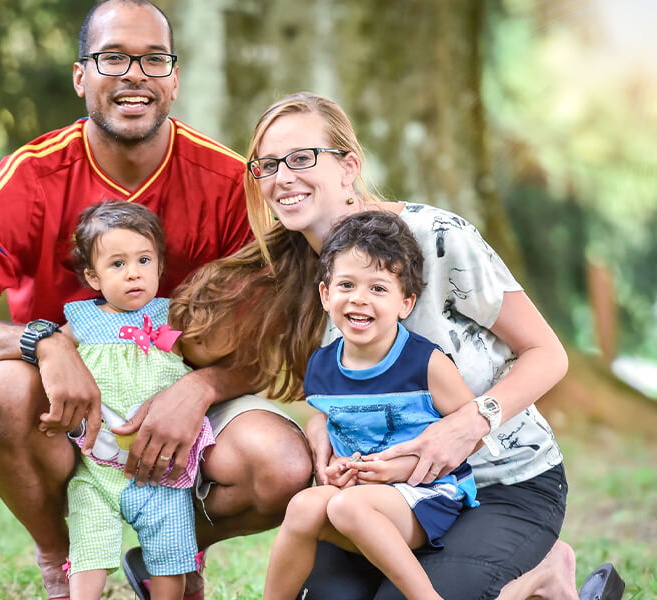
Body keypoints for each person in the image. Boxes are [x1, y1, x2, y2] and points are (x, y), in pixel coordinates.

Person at [0, 2, 312, 598]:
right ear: (81, 77)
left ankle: (167, 552)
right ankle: (62, 557)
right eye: (113, 57)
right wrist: (43, 342)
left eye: (153, 60)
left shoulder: (230, 182)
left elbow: (271, 336)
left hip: (182, 408)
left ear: (174, 78)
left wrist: (200, 389)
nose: (134, 75)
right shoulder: (32, 176)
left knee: (281, 467)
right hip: (65, 406)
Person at [171, 91, 618, 599]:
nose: (282, 177)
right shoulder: (301, 279)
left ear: (348, 167)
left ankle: (540, 571)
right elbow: (343, 382)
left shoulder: (435, 238)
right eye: (267, 165)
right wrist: (321, 423)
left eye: (300, 158)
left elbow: (548, 353)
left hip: (497, 485)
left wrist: (468, 424)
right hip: (379, 500)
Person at [263, 210, 480, 600]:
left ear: (406, 303)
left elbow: (471, 433)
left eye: (378, 288)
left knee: (348, 507)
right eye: (346, 284)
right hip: (360, 496)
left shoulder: (426, 364)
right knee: (303, 506)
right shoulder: (321, 367)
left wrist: (402, 467)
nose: (359, 298)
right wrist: (334, 463)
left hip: (427, 495)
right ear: (326, 295)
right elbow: (331, 420)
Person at [63, 201, 216, 600]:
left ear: (160, 267)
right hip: (97, 466)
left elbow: (206, 357)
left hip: (161, 464)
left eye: (143, 260)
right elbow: (55, 359)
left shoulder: (173, 314)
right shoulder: (81, 321)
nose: (133, 272)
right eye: (117, 264)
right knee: (89, 540)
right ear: (92, 277)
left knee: (170, 548)